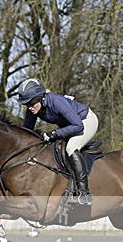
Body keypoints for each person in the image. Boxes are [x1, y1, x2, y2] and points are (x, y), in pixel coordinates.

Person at [17, 78, 98, 206]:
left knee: (71, 147)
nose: (30, 107)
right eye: (27, 104)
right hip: (70, 125)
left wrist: (54, 134)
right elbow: (26, 133)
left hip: (85, 121)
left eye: (32, 103)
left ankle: (84, 193)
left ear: (40, 97)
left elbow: (78, 126)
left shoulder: (56, 101)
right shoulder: (33, 109)